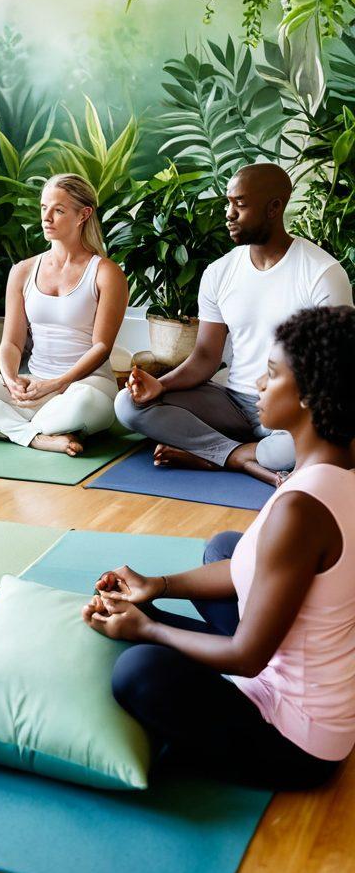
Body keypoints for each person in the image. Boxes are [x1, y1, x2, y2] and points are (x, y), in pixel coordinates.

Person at [84, 305, 355, 791]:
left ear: (311, 396)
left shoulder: (301, 509)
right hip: (304, 676)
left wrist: (150, 630)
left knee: (138, 671)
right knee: (226, 547)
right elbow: (248, 568)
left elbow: (248, 656)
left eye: (272, 375)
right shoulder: (335, 472)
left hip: (300, 743)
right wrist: (157, 587)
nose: (258, 385)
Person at [115, 163, 352, 485]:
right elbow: (204, 358)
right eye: (228, 203)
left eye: (240, 205)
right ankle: (241, 457)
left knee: (311, 443)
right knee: (128, 406)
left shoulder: (322, 273)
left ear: (274, 207)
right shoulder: (219, 272)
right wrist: (162, 385)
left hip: (289, 411)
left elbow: (333, 370)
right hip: (231, 403)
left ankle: (220, 455)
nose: (229, 214)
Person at [0, 174, 128, 456]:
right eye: (43, 207)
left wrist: (59, 383)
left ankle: (2, 427)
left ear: (83, 215)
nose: (46, 217)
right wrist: (11, 378)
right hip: (33, 382)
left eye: (58, 210)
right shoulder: (23, 271)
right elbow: (12, 343)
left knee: (83, 403)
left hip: (85, 386)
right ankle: (39, 436)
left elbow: (101, 347)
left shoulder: (106, 273)